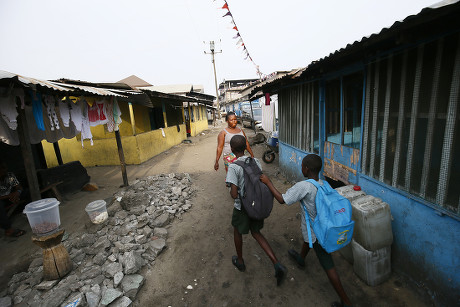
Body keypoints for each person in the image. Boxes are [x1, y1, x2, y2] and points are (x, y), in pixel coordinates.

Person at [260, 154, 353, 307]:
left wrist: (268, 183)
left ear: (306, 169)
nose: (301, 167)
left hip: (318, 233)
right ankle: (301, 259)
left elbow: (282, 199)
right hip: (320, 226)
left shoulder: (304, 186)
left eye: (302, 165)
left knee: (328, 264)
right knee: (307, 236)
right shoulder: (323, 183)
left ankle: (347, 302)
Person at [225, 135, 287, 286]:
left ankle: (240, 261)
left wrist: (233, 188)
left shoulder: (233, 166)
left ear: (232, 150)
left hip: (243, 207)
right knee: (256, 232)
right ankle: (276, 263)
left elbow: (234, 194)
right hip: (256, 204)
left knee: (237, 231)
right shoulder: (256, 161)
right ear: (246, 147)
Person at [0, 161, 26, 237]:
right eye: (2, 168)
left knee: (27, 192)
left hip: (12, 195)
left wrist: (17, 192)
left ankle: (31, 214)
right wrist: (10, 196)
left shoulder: (10, 175)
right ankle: (8, 230)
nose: (4, 170)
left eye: (5, 167)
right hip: (3, 199)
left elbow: (19, 187)